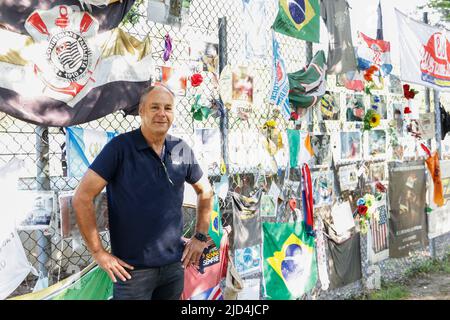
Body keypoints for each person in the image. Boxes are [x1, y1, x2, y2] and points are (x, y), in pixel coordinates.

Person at [73, 84, 213, 300]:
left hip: (174, 267)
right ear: (141, 111)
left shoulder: (180, 149)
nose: (162, 114)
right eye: (154, 107)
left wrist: (200, 236)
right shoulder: (120, 148)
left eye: (168, 108)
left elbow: (205, 191)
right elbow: (82, 196)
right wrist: (98, 252)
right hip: (132, 272)